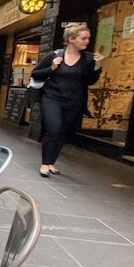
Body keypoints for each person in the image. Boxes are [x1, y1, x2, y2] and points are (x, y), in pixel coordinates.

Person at [31, 23, 103, 178]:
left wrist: (97, 67)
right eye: (83, 38)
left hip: (73, 102)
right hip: (52, 98)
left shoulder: (87, 59)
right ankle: (45, 163)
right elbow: (36, 73)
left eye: (88, 38)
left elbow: (89, 81)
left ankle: (51, 162)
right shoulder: (55, 55)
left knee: (62, 132)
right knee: (53, 128)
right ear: (71, 39)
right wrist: (52, 68)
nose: (87, 41)